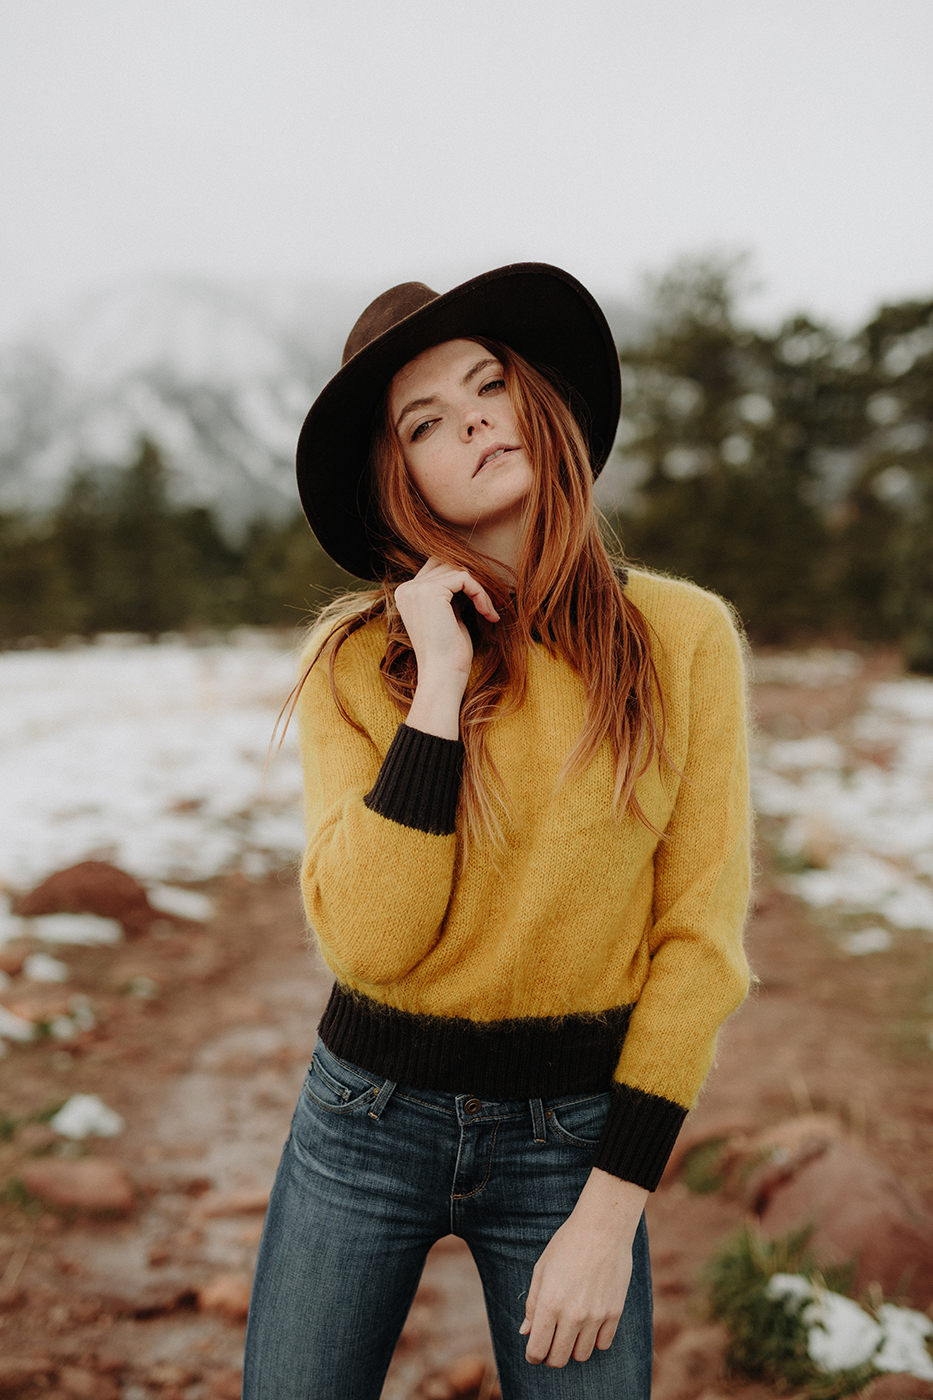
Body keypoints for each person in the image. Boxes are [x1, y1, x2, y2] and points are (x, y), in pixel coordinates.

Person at [242, 264, 751, 1400]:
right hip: (364, 1114)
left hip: (572, 1142)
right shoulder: (358, 664)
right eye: (428, 419)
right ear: (399, 478)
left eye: (489, 384)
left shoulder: (682, 639)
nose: (474, 418)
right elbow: (372, 941)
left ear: (536, 406)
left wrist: (611, 1209)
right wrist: (439, 696)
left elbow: (699, 942)